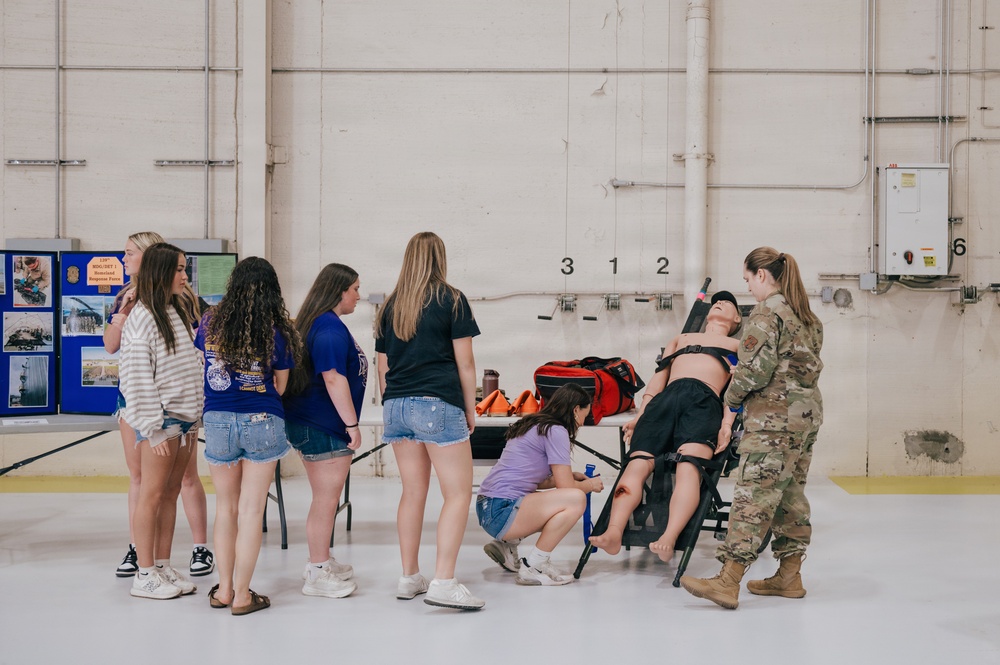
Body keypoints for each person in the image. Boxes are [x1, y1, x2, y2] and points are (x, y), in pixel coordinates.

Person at [680, 248, 823, 610]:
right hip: (805, 417)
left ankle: (728, 581)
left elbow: (754, 370)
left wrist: (730, 398)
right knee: (789, 495)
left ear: (762, 275)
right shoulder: (807, 315)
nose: (749, 288)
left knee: (753, 497)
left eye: (747, 280)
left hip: (773, 419)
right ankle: (789, 576)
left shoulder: (766, 313)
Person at [589, 291, 742, 561]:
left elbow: (737, 390)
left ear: (737, 318)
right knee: (637, 463)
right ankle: (613, 532)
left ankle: (669, 537)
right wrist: (640, 415)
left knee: (689, 467)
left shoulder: (737, 346)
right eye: (716, 300)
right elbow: (659, 378)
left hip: (704, 402)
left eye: (727, 302)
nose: (719, 301)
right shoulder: (680, 339)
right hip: (664, 401)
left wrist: (727, 424)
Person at [375, 231, 483, 610]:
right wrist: (470, 408)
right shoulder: (451, 299)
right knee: (456, 493)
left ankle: (409, 576)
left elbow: (382, 365)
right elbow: (465, 363)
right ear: (440, 257)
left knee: (412, 492)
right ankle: (444, 581)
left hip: (397, 405)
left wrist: (391, 400)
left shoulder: (390, 305)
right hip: (438, 402)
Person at [105, 231, 214, 579]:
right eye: (180, 270)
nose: (186, 277)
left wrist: (193, 415)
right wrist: (151, 428)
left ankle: (163, 566)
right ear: (162, 271)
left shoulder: (175, 310)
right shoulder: (141, 317)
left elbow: (188, 366)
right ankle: (146, 571)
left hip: (182, 421)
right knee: (150, 493)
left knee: (169, 492)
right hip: (160, 422)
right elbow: (137, 379)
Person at [195, 257, 300, 615]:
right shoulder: (275, 330)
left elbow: (204, 366)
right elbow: (281, 386)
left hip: (218, 419)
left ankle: (223, 589)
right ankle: (243, 595)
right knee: (252, 510)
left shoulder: (209, 321)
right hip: (262, 418)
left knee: (225, 508)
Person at [283, 263, 367, 600]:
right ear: (340, 290)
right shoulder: (329, 328)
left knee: (326, 499)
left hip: (315, 423)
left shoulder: (321, 323)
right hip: (323, 425)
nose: (359, 296)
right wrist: (351, 424)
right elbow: (333, 377)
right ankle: (317, 571)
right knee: (326, 500)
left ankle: (321, 560)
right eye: (356, 289)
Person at [477, 384, 605, 586]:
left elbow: (535, 479)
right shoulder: (556, 430)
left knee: (562, 498)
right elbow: (566, 489)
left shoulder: (532, 423)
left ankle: (508, 545)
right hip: (501, 510)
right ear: (574, 410)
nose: (582, 423)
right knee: (576, 499)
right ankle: (535, 565)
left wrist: (571, 476)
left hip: (488, 507)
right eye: (584, 416)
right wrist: (590, 485)